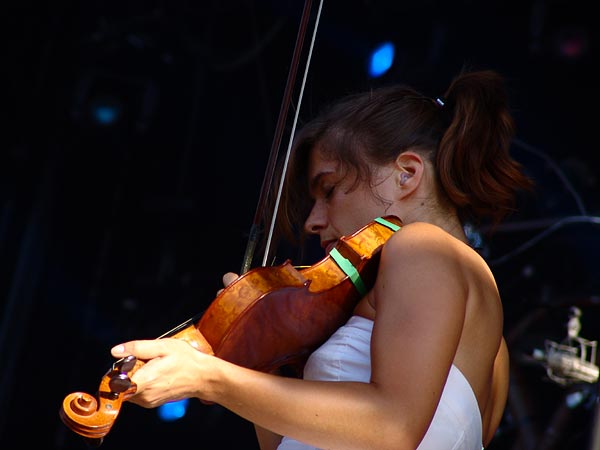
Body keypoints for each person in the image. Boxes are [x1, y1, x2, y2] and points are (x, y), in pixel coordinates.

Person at [111, 69, 533, 449]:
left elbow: (393, 428)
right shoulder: (493, 352)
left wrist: (211, 378)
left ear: (407, 174)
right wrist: (258, 363)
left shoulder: (423, 246)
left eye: (328, 190)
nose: (314, 222)